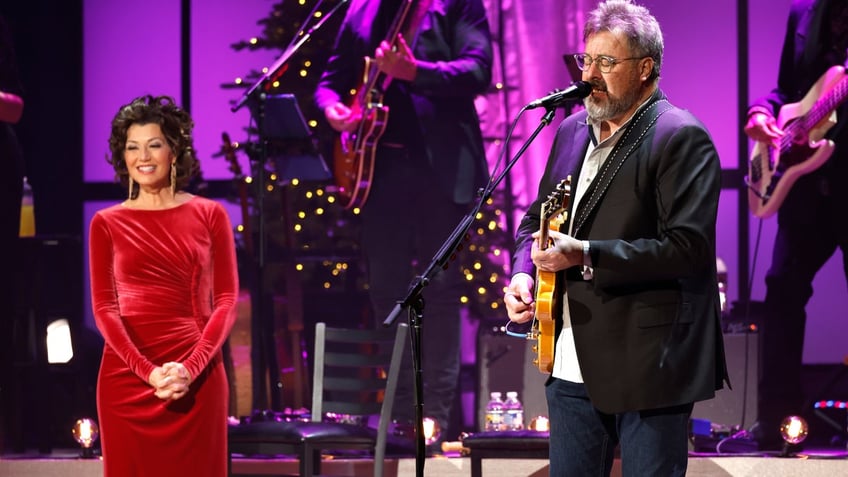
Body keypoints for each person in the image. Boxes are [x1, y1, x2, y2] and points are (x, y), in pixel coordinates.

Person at [504, 1, 728, 475]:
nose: (590, 75)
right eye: (587, 60)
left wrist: (583, 253)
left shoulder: (679, 136)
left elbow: (687, 249)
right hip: (569, 361)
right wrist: (523, 273)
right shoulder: (569, 132)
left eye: (608, 62)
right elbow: (533, 223)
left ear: (646, 68)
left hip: (650, 366)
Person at [314, 0, 493, 445]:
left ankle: (434, 417)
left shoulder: (453, 4)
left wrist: (417, 72)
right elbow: (329, 83)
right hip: (379, 170)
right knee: (386, 294)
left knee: (441, 293)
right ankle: (396, 418)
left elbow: (478, 69)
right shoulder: (359, 9)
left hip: (442, 170)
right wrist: (334, 108)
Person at [88, 95, 239, 476]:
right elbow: (105, 309)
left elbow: (226, 300)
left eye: (154, 144)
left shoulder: (210, 214)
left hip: (197, 374)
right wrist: (149, 372)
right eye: (132, 147)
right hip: (127, 378)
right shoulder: (105, 223)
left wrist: (189, 368)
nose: (143, 156)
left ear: (174, 151)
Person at [743, 0, 848, 451]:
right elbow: (787, 90)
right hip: (805, 182)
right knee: (782, 289)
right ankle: (777, 417)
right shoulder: (802, 12)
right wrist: (761, 113)